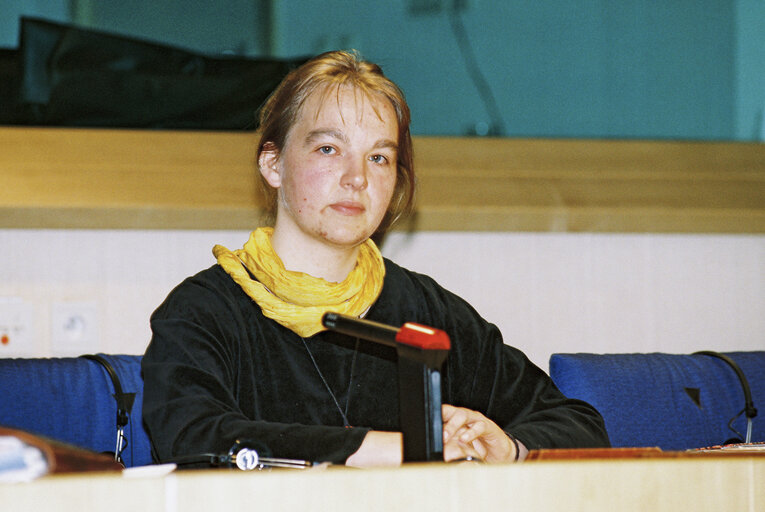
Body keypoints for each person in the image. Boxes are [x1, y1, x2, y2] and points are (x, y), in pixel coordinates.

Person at [141, 50, 609, 468]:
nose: (356, 178)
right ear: (273, 164)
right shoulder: (203, 310)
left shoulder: (427, 311)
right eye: (329, 149)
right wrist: (394, 451)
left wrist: (507, 446)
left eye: (379, 158)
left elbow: (579, 426)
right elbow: (190, 437)